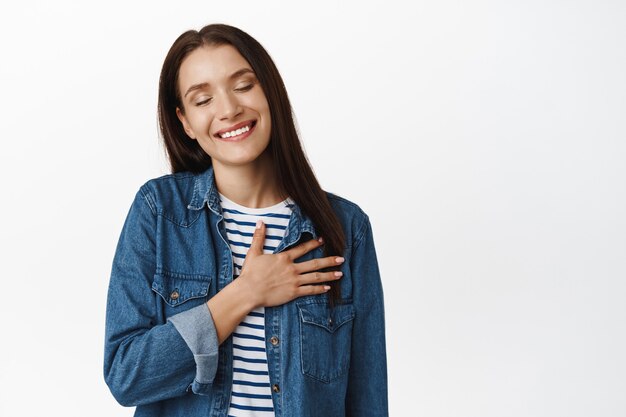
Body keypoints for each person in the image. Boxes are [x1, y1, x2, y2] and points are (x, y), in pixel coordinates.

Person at [103, 23, 388, 417]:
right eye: (203, 99)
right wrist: (246, 292)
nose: (228, 109)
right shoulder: (160, 212)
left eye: (243, 85)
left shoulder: (345, 228)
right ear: (185, 123)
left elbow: (367, 398)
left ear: (271, 91)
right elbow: (126, 375)